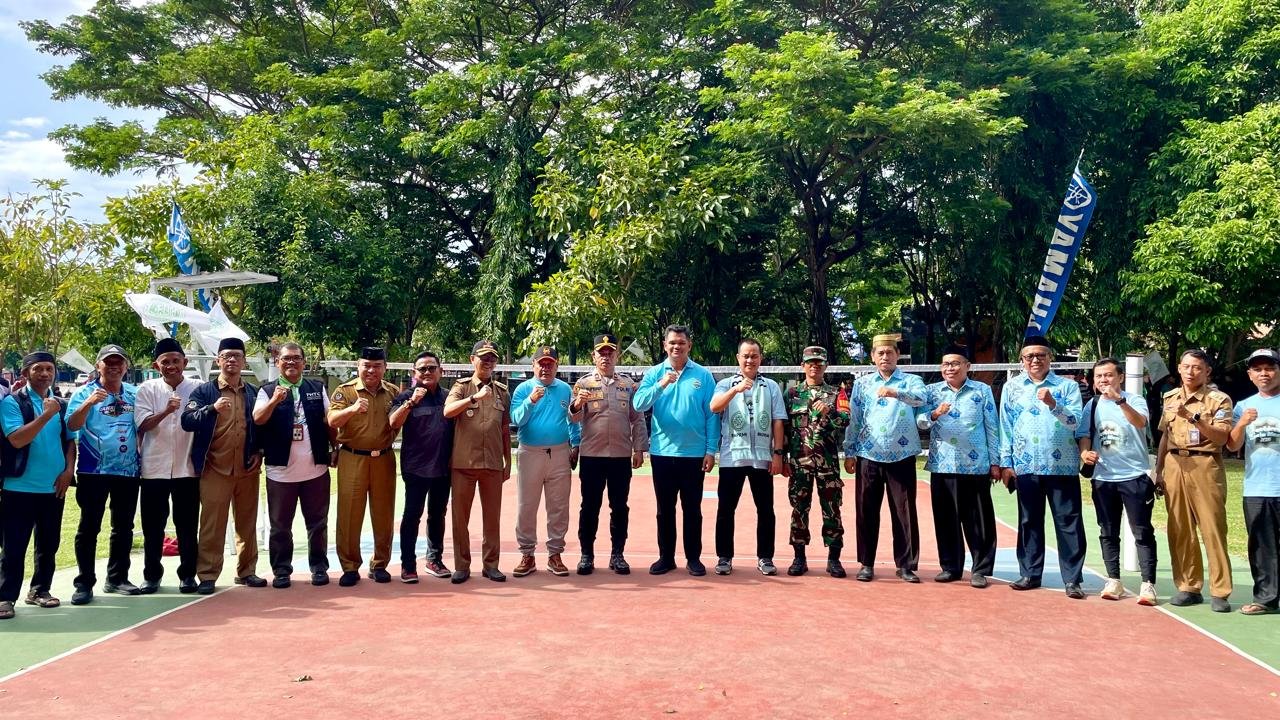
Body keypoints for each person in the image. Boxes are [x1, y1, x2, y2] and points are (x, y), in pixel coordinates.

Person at [998, 335, 1087, 599]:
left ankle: (1072, 579)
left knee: (1068, 522)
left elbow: (1076, 422)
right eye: (1029, 356)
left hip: (1061, 465)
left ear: (1050, 358)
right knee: (1029, 521)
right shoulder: (1011, 387)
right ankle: (1030, 573)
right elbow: (1005, 426)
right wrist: (1006, 463)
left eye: (1040, 355)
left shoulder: (1067, 387)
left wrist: (1053, 404)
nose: (1035, 360)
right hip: (1026, 466)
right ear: (1022, 360)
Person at [632, 324, 719, 576]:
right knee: (665, 510)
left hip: (694, 455)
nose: (676, 347)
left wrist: (711, 450)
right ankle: (666, 558)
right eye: (672, 342)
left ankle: (693, 559)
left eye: (681, 342)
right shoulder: (654, 373)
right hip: (662, 454)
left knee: (692, 510)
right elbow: (638, 405)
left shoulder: (703, 376)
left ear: (689, 345)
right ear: (665, 345)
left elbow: (712, 415)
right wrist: (661, 384)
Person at [181, 337, 264, 595]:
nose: (232, 360)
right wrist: (211, 409)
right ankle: (207, 575)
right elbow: (187, 420)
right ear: (218, 360)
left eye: (237, 356)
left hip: (247, 468)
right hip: (214, 467)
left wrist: (259, 452)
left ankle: (247, 571)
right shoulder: (205, 392)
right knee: (212, 524)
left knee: (247, 523)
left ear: (244, 361)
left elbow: (262, 425)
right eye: (226, 356)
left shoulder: (253, 392)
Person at [842, 333, 927, 583]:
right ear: (872, 357)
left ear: (897, 355)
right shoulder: (862, 384)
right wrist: (849, 451)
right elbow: (855, 419)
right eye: (880, 353)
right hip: (868, 454)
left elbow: (922, 399)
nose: (885, 357)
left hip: (902, 455)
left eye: (890, 352)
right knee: (866, 510)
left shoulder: (912, 381)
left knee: (904, 512)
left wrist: (895, 393)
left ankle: (906, 565)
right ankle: (866, 563)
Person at [1155, 348, 1234, 612]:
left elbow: (1222, 438)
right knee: (1180, 528)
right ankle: (1188, 586)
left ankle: (1220, 591)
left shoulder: (1218, 400)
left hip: (1205, 464)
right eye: (1186, 366)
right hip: (1174, 463)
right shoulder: (1170, 397)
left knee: (1212, 528)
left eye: (1197, 368)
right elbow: (1165, 435)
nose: (1191, 372)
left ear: (1207, 371)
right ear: (1179, 368)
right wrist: (1158, 470)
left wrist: (1192, 417)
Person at [1076, 357, 1159, 606]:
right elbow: (1084, 434)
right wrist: (1085, 453)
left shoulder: (1135, 400)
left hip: (1134, 476)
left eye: (1109, 375)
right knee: (1107, 531)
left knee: (1141, 531)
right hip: (1103, 478)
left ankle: (1148, 584)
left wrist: (1119, 401)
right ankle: (1113, 580)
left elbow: (1140, 422)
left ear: (1120, 377)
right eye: (1099, 376)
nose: (1104, 380)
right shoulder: (1092, 405)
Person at [65, 344, 142, 605]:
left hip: (128, 470)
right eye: (108, 362)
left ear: (126, 366)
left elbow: (143, 426)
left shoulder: (134, 393)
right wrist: (88, 403)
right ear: (98, 365)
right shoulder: (83, 393)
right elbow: (72, 425)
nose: (114, 367)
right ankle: (84, 583)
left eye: (118, 362)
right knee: (89, 527)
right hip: (93, 470)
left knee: (123, 527)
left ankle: (117, 578)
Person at [0, 352, 74, 619]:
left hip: (53, 486)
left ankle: (40, 590)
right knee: (14, 546)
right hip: (18, 487)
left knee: (48, 544)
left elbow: (69, 441)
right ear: (25, 373)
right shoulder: (12, 402)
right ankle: (5, 597)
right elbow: (17, 439)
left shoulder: (61, 404)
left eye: (49, 369)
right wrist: (45, 415)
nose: (44, 374)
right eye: (38, 369)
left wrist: (68, 471)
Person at [918, 344, 999, 589]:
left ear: (967, 366)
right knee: (946, 519)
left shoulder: (982, 391)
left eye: (955, 363)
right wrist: (934, 414)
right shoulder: (931, 391)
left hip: (975, 465)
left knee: (978, 520)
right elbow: (920, 422)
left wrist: (995, 462)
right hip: (942, 464)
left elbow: (992, 427)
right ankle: (950, 567)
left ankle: (980, 569)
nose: (950, 368)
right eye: (946, 364)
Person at [253, 342, 333, 588]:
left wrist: (336, 448)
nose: (291, 362)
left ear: (304, 362)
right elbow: (258, 419)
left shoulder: (316, 388)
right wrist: (274, 401)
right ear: (278, 362)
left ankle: (319, 568)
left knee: (317, 523)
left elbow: (330, 421)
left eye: (296, 358)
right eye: (286, 358)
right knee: (280, 526)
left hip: (315, 470)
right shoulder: (267, 390)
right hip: (280, 472)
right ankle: (281, 570)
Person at [569, 333, 647, 575]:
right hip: (592, 456)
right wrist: (577, 404)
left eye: (609, 352)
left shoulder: (628, 385)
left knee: (620, 507)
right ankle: (586, 555)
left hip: (620, 456)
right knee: (589, 507)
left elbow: (637, 418)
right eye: (601, 353)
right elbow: (573, 419)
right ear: (593, 356)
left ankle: (618, 554)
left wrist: (639, 448)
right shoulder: (583, 384)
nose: (605, 357)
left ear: (617, 355)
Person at [709, 338, 786, 576]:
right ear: (738, 358)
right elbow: (714, 407)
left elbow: (778, 421)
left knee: (766, 510)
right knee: (726, 509)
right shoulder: (725, 384)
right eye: (746, 356)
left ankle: (765, 557)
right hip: (732, 457)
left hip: (762, 458)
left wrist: (778, 454)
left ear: (760, 358)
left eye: (754, 356)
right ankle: (724, 557)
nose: (750, 360)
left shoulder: (771, 386)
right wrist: (735, 390)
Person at [327, 346, 400, 586]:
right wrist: (352, 408)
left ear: (385, 368)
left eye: (377, 366)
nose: (371, 370)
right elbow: (332, 420)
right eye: (366, 365)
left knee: (384, 513)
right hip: (352, 457)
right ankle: (349, 566)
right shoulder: (345, 391)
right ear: (358, 366)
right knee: (349, 514)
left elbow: (399, 421)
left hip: (384, 458)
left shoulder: (393, 392)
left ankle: (379, 564)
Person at [135, 338, 201, 594]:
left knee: (187, 525)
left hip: (187, 468)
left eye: (176, 361)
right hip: (154, 469)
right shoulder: (147, 389)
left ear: (185, 362)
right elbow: (142, 425)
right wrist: (165, 411)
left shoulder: (198, 388)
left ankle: (188, 575)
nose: (171, 366)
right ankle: (152, 576)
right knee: (153, 527)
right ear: (156, 365)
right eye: (165, 362)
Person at [443, 340, 512, 583]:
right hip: (464, 463)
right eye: (483, 357)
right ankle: (461, 565)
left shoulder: (502, 391)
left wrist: (508, 461)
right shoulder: (461, 387)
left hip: (492, 463)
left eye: (492, 358)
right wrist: (473, 398)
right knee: (460, 518)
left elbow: (505, 430)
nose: (488, 362)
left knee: (492, 518)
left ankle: (491, 565)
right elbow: (448, 411)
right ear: (472, 359)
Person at [782, 346, 850, 577]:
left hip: (827, 465)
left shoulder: (837, 393)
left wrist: (829, 412)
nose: (815, 366)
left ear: (826, 366)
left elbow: (845, 421)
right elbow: (783, 427)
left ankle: (834, 559)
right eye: (810, 362)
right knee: (799, 510)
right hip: (799, 464)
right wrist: (782, 456)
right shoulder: (792, 394)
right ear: (803, 366)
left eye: (819, 363)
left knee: (832, 510)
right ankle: (799, 558)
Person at [510, 346, 574, 577]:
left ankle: (555, 554)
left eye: (550, 364)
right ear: (533, 365)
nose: (545, 368)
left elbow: (572, 420)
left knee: (559, 506)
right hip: (530, 453)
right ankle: (527, 554)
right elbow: (516, 419)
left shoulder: (565, 389)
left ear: (557, 366)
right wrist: (530, 401)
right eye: (541, 363)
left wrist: (576, 444)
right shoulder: (523, 389)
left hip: (559, 453)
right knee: (526, 506)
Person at [389, 351, 453, 583]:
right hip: (416, 468)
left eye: (431, 368)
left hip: (443, 467)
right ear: (414, 373)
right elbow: (393, 423)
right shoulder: (406, 396)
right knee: (411, 516)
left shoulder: (449, 397)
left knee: (438, 515)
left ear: (440, 371)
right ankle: (408, 565)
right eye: (422, 369)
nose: (427, 372)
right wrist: (411, 402)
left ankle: (434, 560)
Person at [1229, 349, 1280, 616]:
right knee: (1262, 547)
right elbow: (1232, 444)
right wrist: (1242, 423)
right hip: (1257, 488)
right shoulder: (1243, 406)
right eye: (1258, 369)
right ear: (1250, 375)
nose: (1264, 374)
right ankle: (1266, 598)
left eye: (1269, 368)